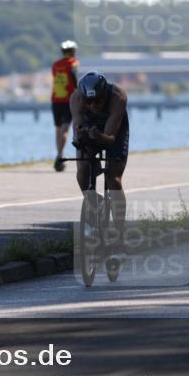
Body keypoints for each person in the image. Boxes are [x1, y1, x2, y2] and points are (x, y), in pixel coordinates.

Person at [69, 71, 129, 258]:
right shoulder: (76, 99)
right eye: (89, 102)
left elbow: (110, 138)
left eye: (98, 102)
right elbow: (77, 128)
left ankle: (119, 236)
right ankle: (95, 203)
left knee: (113, 178)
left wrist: (100, 136)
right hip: (89, 128)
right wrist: (82, 136)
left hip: (114, 131)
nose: (94, 105)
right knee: (82, 171)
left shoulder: (118, 96)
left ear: (105, 96)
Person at [51, 40, 79, 172]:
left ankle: (59, 154)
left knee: (58, 128)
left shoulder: (55, 65)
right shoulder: (72, 63)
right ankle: (60, 156)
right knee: (65, 128)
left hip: (56, 99)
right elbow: (73, 77)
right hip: (68, 100)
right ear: (73, 51)